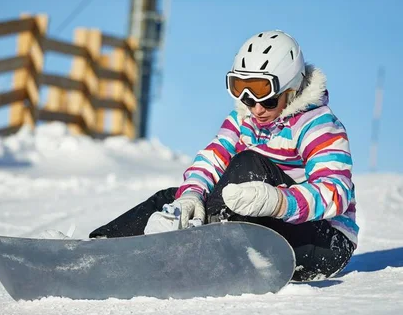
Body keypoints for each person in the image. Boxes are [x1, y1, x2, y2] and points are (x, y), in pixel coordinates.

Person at [89, 30, 359, 281]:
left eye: (267, 99)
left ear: (292, 90)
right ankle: (97, 253)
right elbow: (212, 159)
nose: (256, 109)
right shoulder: (244, 119)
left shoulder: (318, 125)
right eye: (245, 95)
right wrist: (191, 195)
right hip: (261, 227)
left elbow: (335, 192)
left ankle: (204, 246)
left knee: (248, 162)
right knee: (170, 198)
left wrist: (277, 202)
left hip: (323, 240)